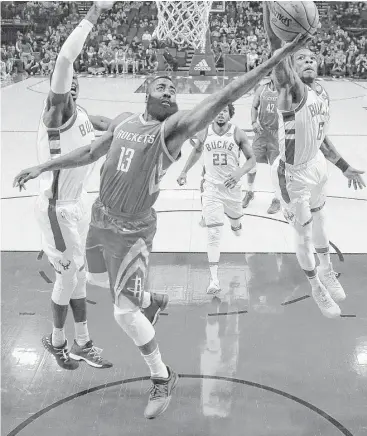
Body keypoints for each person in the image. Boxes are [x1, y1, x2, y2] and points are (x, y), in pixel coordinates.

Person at [14, 30, 309, 418]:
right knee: (92, 277)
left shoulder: (171, 131)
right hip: (100, 218)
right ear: (147, 93)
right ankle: (151, 301)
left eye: (174, 89)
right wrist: (42, 166)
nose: (171, 91)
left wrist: (276, 60)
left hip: (132, 232)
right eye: (163, 86)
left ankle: (161, 376)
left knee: (123, 314)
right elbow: (87, 151)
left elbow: (227, 93)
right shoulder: (123, 123)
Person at [17, 4, 115, 372]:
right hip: (57, 208)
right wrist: (95, 10)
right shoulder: (56, 112)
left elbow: (117, 125)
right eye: (66, 79)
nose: (71, 80)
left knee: (78, 275)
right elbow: (64, 58)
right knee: (68, 274)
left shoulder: (85, 115)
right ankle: (59, 343)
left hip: (78, 206)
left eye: (76, 79)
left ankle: (81, 342)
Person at [263, 3, 365, 318]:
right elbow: (275, 51)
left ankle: (327, 270)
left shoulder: (321, 93)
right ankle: (315, 287)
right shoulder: (291, 91)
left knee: (322, 221)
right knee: (304, 232)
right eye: (301, 59)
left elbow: (322, 138)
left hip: (317, 165)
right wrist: (269, 10)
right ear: (290, 67)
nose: (308, 61)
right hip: (292, 174)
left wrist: (345, 166)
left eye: (312, 59)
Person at [176, 104, 255, 294]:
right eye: (218, 111)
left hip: (232, 189)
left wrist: (238, 173)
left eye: (225, 111)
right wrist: (184, 171)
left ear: (230, 114)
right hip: (211, 188)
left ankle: (236, 224)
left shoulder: (238, 133)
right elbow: (196, 151)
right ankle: (214, 280)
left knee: (236, 225)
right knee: (213, 235)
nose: (221, 114)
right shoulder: (205, 132)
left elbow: (252, 159)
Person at [243, 79, 280, 214]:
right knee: (251, 163)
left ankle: (277, 198)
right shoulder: (262, 89)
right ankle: (250, 191)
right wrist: (253, 122)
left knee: (276, 168)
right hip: (261, 131)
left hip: (277, 133)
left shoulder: (286, 88)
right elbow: (254, 107)